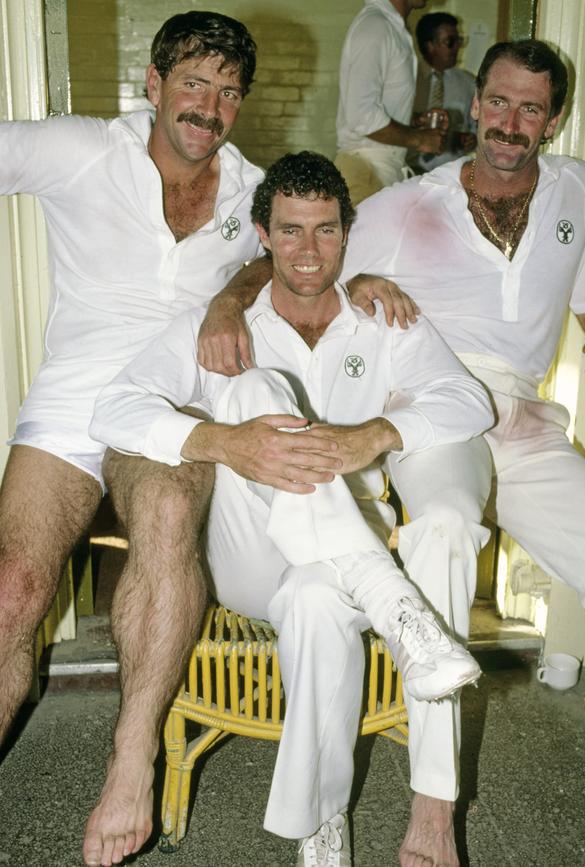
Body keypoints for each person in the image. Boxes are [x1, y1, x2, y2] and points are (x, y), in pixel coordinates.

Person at [202, 39, 585, 867]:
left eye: (531, 108)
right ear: (475, 104)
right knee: (442, 524)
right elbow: (292, 256)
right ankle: (433, 813)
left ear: (554, 120)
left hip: (525, 420)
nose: (510, 123)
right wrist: (229, 306)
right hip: (437, 415)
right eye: (498, 102)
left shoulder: (577, 190)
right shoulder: (411, 204)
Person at [0, 12, 361, 867]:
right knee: (13, 587)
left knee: (164, 517)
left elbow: (310, 247)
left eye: (228, 91)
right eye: (193, 84)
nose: (209, 106)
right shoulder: (82, 148)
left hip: (175, 403)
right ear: (153, 85)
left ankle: (132, 758)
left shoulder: (252, 188)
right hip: (73, 400)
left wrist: (235, 294)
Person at [90, 150, 493, 866]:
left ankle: (322, 825)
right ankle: (394, 601)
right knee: (250, 392)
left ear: (349, 231)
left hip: (332, 561)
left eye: (327, 230)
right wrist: (221, 441)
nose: (309, 250)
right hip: (250, 553)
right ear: (262, 234)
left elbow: (468, 401)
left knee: (314, 600)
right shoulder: (220, 325)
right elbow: (113, 410)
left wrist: (376, 435)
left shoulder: (380, 319)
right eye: (292, 230)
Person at [334, 0, 446, 204]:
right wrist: (420, 139)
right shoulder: (376, 27)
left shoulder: (391, 27)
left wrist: (414, 121)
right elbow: (362, 117)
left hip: (379, 170)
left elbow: (373, 110)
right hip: (365, 171)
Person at [407, 12, 476, 173]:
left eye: (459, 41)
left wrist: (471, 140)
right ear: (430, 45)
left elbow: (477, 127)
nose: (457, 47)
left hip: (451, 174)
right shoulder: (407, 80)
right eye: (450, 42)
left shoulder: (468, 83)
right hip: (408, 172)